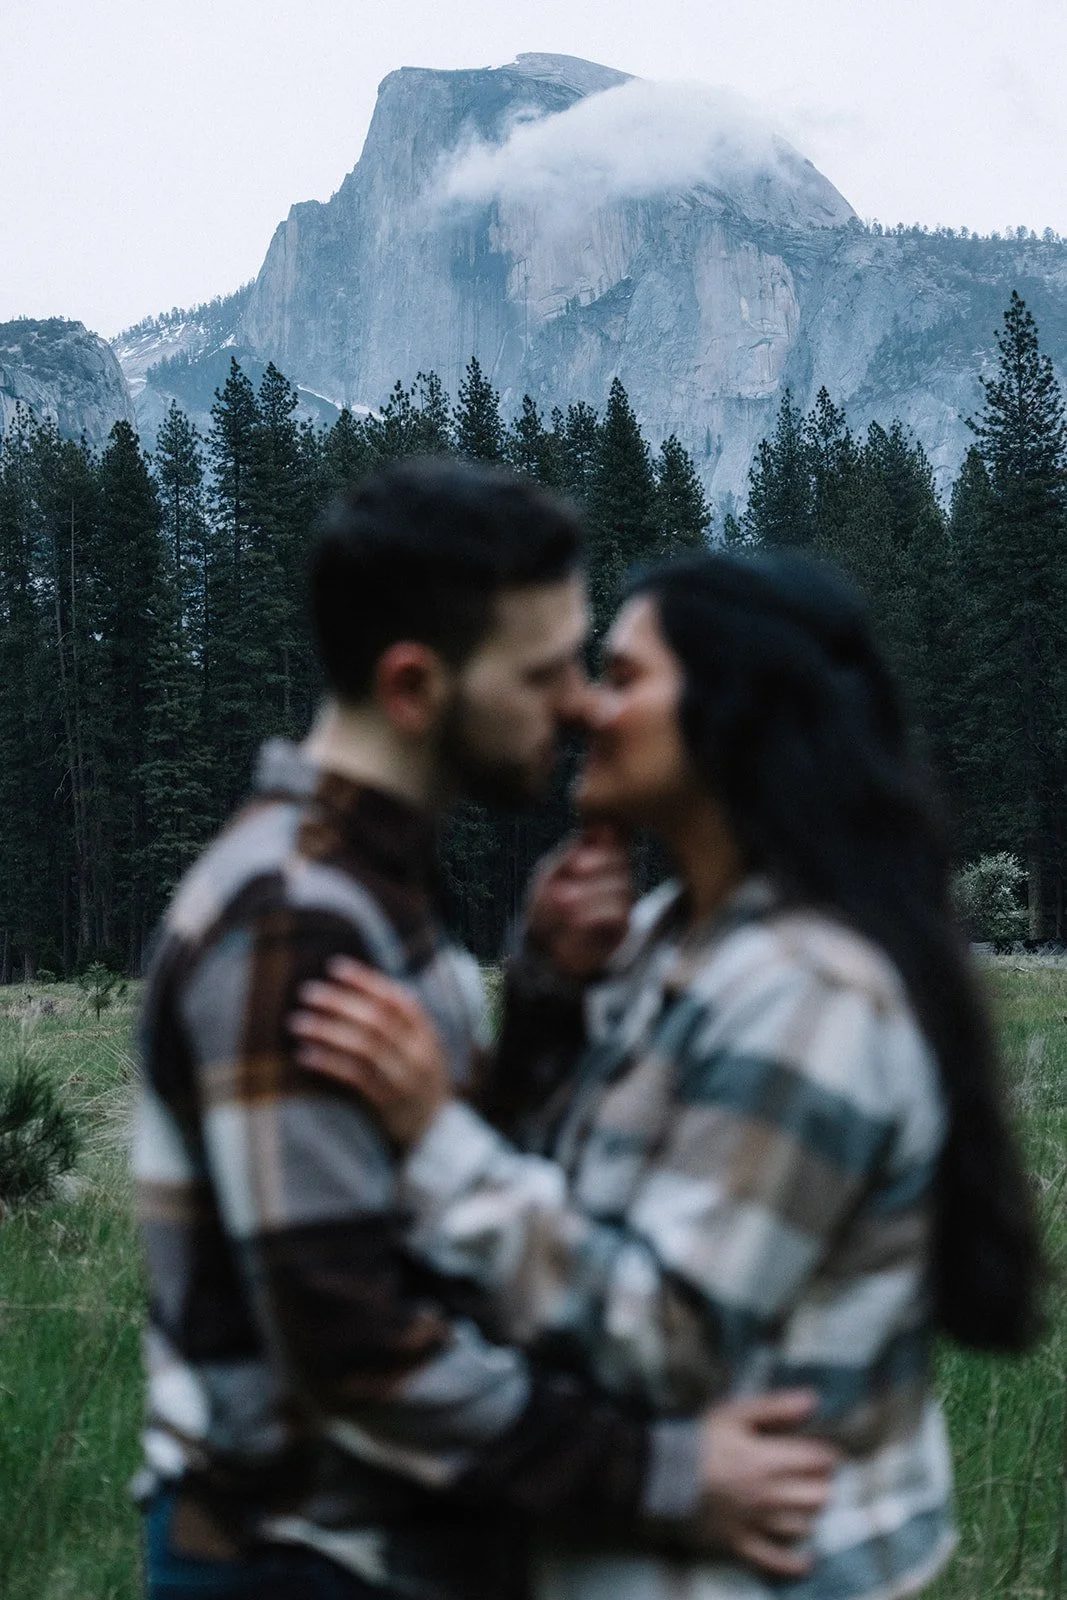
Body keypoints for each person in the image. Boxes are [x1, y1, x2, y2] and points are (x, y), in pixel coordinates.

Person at [133, 465, 837, 1600]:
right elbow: (352, 1350)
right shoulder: (292, 927)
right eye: (545, 669)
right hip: (305, 1556)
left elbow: (416, 1202)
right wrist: (666, 1472)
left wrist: (544, 994)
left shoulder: (367, 892)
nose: (581, 703)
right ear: (413, 686)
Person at [291, 549, 1043, 1599]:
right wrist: (548, 992)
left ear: (733, 713)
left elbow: (666, 1333)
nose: (587, 709)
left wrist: (432, 1135)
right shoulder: (665, 938)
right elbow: (573, 1196)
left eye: (624, 675)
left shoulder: (809, 994)